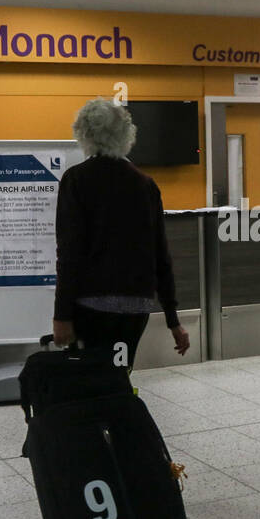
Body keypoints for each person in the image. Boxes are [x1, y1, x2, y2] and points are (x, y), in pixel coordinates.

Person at [52, 99, 189, 367]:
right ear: (127, 134)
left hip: (91, 305)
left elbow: (69, 254)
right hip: (135, 305)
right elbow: (161, 254)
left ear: (83, 134)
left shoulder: (76, 180)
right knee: (120, 372)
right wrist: (173, 320)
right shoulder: (145, 184)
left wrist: (62, 315)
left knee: (93, 378)